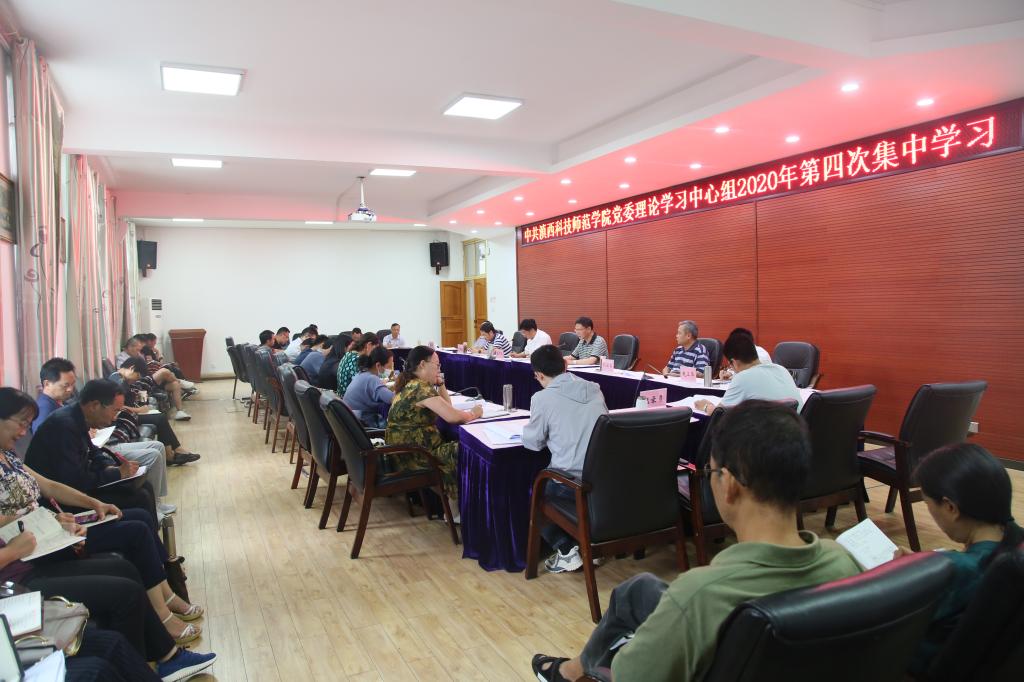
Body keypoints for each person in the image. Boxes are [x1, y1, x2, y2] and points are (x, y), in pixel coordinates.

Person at [530, 400, 861, 682]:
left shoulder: (700, 594)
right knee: (637, 590)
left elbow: (631, 675)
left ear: (729, 485)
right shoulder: (844, 562)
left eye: (711, 472)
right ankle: (571, 671)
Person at [1, 387, 210, 649]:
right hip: (36, 545)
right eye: (21, 424)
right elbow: (20, 513)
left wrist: (93, 504)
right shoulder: (63, 425)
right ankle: (164, 612)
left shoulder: (9, 455)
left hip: (51, 528)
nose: (24, 432)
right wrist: (52, 520)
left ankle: (167, 597)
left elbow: (49, 486)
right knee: (136, 527)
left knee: (139, 512)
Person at [901, 443, 1023, 675]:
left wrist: (911, 575)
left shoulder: (955, 571)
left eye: (927, 504)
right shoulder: (1015, 547)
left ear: (950, 507)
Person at [25, 380, 161, 525]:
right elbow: (75, 481)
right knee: (140, 497)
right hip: (64, 502)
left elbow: (93, 451)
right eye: (115, 411)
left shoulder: (77, 416)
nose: (115, 417)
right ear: (95, 405)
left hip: (79, 487)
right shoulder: (64, 427)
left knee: (145, 487)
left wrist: (109, 465)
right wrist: (117, 474)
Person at [523, 345, 608, 573]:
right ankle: (588, 546)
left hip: (571, 483)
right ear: (565, 365)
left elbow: (533, 443)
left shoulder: (542, 398)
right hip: (604, 480)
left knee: (534, 492)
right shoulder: (594, 388)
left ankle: (566, 549)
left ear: (539, 375)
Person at [385, 346, 482, 511]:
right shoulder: (420, 389)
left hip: (406, 450)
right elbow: (453, 417)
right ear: (422, 364)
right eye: (437, 365)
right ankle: (461, 509)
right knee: (470, 450)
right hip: (416, 454)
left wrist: (440, 383)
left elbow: (447, 407)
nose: (439, 369)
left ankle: (454, 507)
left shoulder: (411, 384)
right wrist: (474, 413)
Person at [695, 331, 801, 413]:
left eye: (730, 365)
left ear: (734, 362)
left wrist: (706, 406)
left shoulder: (742, 377)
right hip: (796, 430)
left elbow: (719, 414)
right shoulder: (782, 369)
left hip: (767, 433)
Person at [117, 337, 190, 421]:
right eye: (137, 350)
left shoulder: (135, 356)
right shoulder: (122, 358)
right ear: (130, 347)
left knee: (175, 384)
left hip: (142, 379)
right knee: (164, 371)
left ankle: (180, 411)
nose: (138, 352)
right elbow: (123, 373)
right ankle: (180, 381)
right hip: (140, 381)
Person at [343, 347, 396, 429]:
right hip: (363, 423)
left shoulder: (361, 374)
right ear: (378, 365)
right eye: (389, 367)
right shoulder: (372, 379)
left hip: (351, 421)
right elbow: (393, 399)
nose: (391, 370)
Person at [32, 356, 77, 432]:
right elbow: (44, 439)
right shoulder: (45, 410)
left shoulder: (61, 401)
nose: (70, 389)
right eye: (65, 385)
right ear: (47, 384)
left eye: (72, 384)